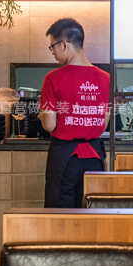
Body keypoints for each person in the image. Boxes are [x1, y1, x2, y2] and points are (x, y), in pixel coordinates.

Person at [39, 18, 110, 208]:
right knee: (92, 211)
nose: (52, 52)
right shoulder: (106, 79)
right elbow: (103, 124)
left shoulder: (52, 78)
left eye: (52, 47)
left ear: (64, 44)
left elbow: (49, 125)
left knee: (61, 215)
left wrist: (42, 116)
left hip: (64, 159)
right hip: (95, 158)